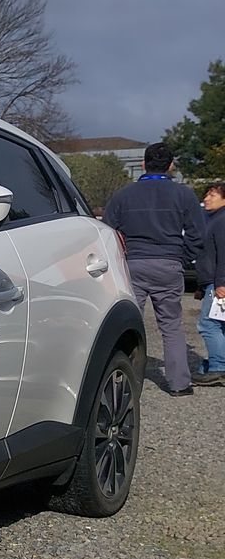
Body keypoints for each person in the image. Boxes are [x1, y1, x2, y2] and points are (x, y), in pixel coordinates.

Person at [101, 142, 205, 396]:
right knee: (171, 325)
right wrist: (182, 258)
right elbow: (198, 234)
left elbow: (106, 231)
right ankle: (179, 384)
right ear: (171, 166)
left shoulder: (123, 195)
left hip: (133, 264)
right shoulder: (184, 195)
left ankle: (121, 381)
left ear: (143, 164)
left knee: (126, 323)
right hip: (168, 263)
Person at [192, 181, 225, 385]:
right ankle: (217, 363)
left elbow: (224, 254)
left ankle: (218, 367)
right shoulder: (214, 219)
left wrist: (221, 282)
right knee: (219, 324)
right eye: (206, 195)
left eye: (212, 195)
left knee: (208, 324)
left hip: (218, 282)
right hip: (211, 281)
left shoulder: (221, 221)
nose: (206, 198)